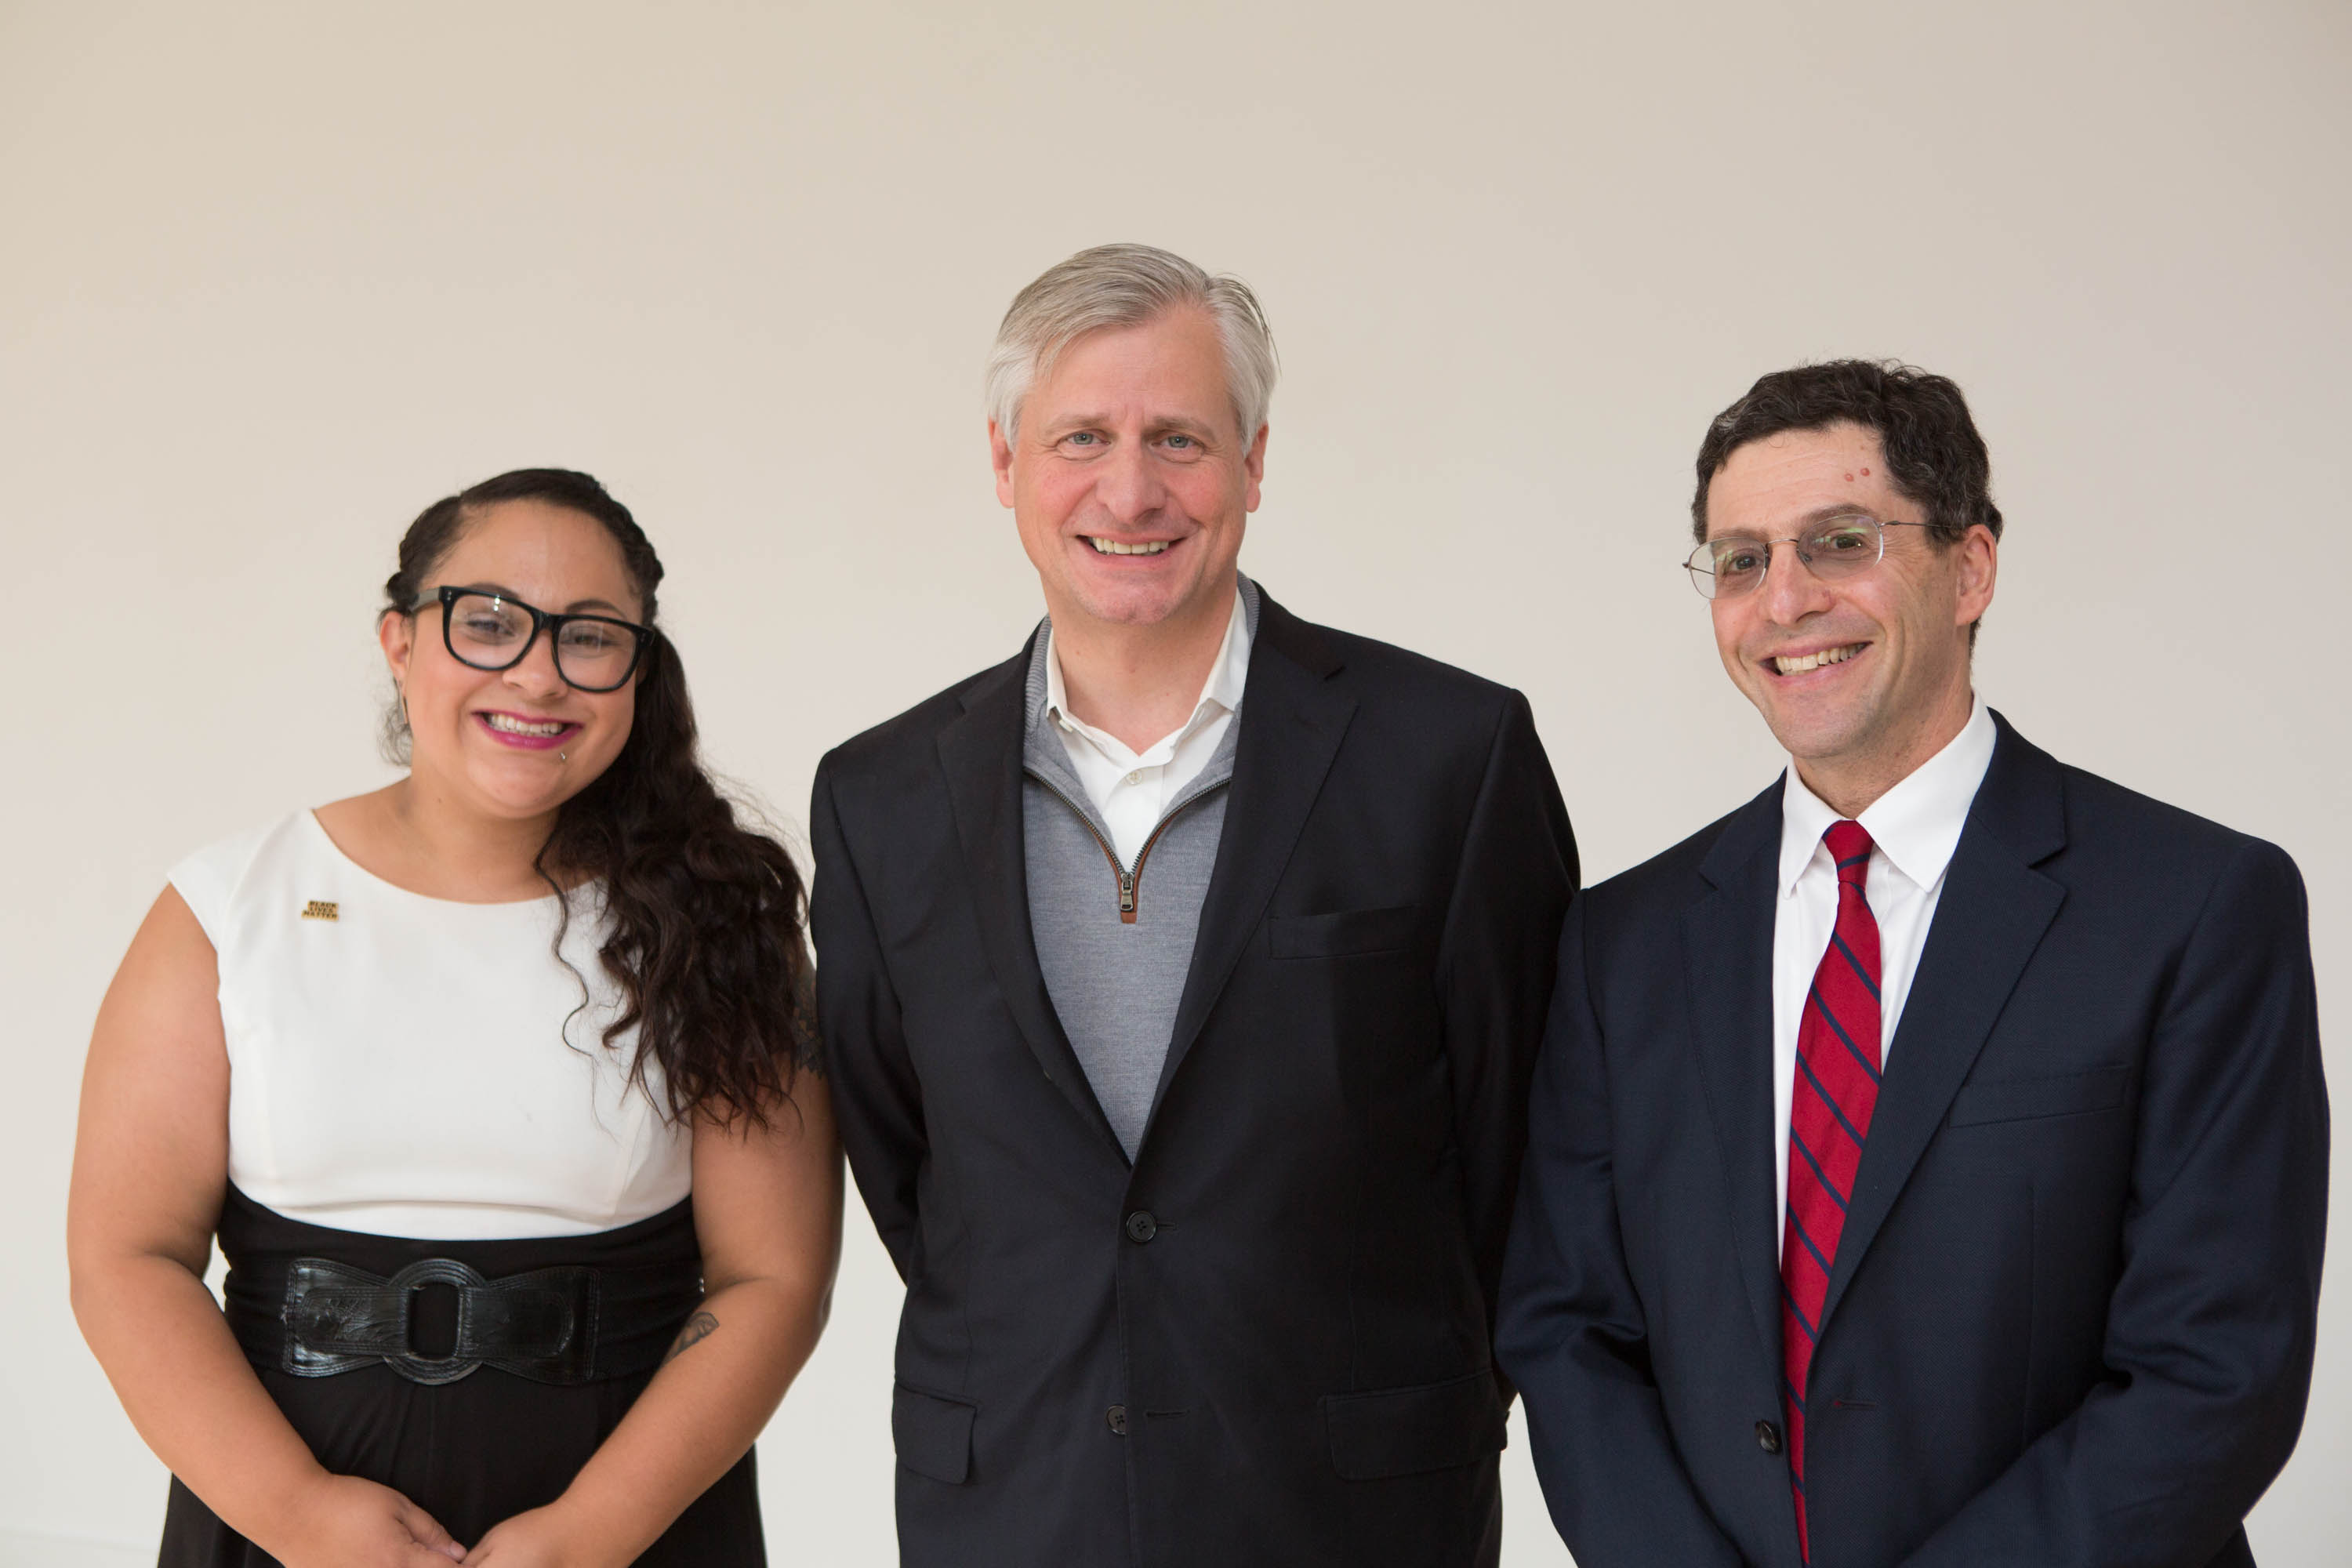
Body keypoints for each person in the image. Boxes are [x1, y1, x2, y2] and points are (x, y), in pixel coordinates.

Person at [810, 243, 1577, 1566]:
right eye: (1081, 439)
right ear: (1004, 469)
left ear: (1253, 465)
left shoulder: (1449, 754)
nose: (1131, 487)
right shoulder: (881, 797)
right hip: (1012, 1504)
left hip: (1353, 1505)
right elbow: (916, 1168)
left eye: (1179, 438)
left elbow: (1529, 1146)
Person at [1497, 361, 2328, 1567]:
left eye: (1838, 542)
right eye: (1740, 560)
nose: (1783, 601)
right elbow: (1569, 1332)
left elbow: (2216, 1373)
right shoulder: (1622, 943)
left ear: (1971, 568)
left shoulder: (2195, 908)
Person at [69, 469, 841, 1566]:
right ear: (400, 641)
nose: (537, 672)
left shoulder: (720, 923)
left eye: (588, 636)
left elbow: (776, 1277)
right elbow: (125, 1255)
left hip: (630, 1524)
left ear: (637, 668)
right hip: (282, 1518)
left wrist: (592, 1533)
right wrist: (295, 1514)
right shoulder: (227, 907)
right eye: (486, 623)